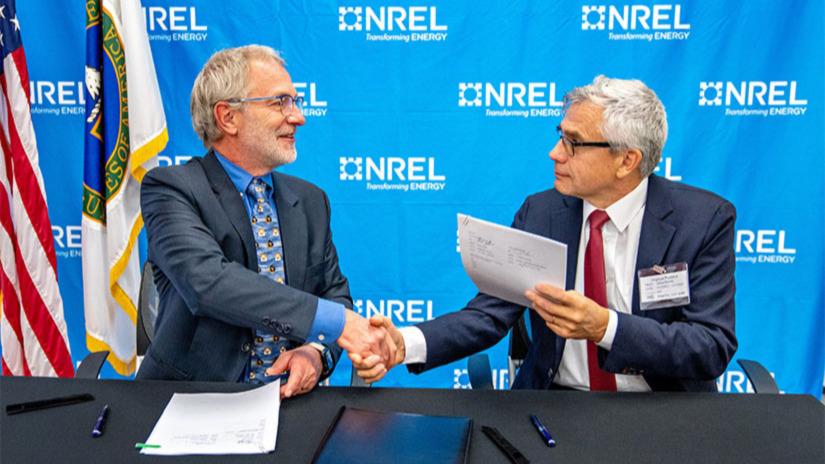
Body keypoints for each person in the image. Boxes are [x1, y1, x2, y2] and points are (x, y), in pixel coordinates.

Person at [354, 75, 737, 392]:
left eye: (573, 143)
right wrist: (404, 344)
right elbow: (489, 314)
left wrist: (606, 328)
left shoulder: (702, 220)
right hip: (554, 402)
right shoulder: (541, 212)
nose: (555, 153)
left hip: (662, 411)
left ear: (626, 161)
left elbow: (710, 345)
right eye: (560, 136)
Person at [137, 45, 395, 397]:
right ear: (228, 117)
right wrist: (339, 325)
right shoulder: (171, 188)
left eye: (296, 101)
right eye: (280, 103)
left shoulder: (310, 200)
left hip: (287, 404)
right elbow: (208, 283)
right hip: (188, 402)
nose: (298, 116)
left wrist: (316, 353)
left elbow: (334, 294)